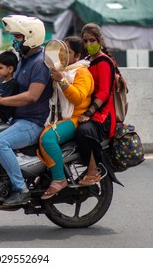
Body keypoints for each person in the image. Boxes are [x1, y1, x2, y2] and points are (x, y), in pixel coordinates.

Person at [0, 15, 52, 206]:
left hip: (32, 122)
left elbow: (31, 96)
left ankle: (21, 189)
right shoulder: (23, 60)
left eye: (18, 37)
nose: (15, 41)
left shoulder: (40, 63)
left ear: (31, 36)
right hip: (17, 120)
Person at [37, 36, 94, 199]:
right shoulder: (63, 70)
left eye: (68, 52)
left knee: (47, 139)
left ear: (77, 56)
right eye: (62, 51)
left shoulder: (81, 72)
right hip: (58, 117)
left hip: (74, 119)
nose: (63, 55)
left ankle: (59, 179)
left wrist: (61, 80)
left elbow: (78, 98)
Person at [76, 23, 117, 186]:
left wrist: (89, 113)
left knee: (83, 131)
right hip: (88, 110)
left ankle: (93, 170)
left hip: (102, 114)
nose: (88, 45)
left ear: (100, 40)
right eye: (85, 41)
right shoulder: (86, 61)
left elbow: (104, 92)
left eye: (92, 40)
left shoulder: (104, 62)